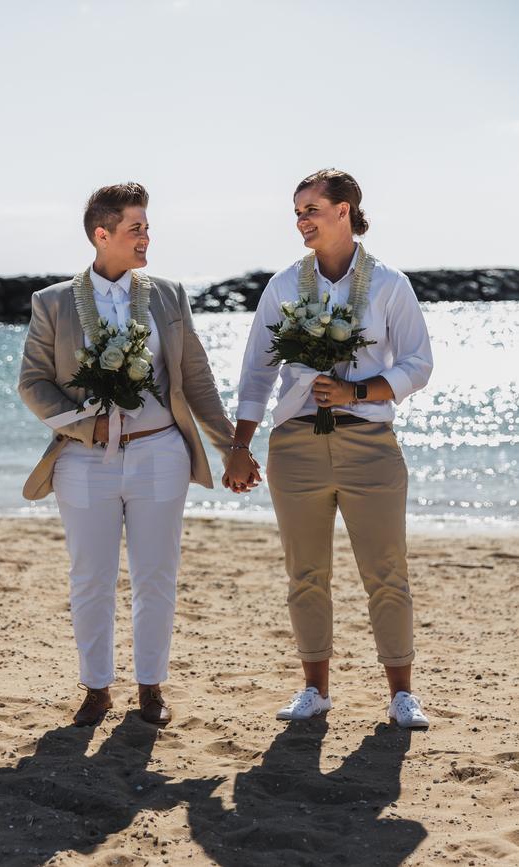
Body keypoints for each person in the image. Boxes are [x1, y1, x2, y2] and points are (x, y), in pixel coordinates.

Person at [19, 182, 247, 726]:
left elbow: (195, 378)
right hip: (82, 461)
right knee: (91, 577)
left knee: (156, 576)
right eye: (135, 228)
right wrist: (87, 426)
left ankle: (151, 688)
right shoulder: (52, 303)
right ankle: (96, 689)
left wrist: (232, 447)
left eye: (146, 227)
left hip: (160, 453)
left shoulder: (169, 295)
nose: (146, 237)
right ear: (103, 235)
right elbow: (33, 384)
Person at [224, 168, 433, 728]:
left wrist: (356, 390)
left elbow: (418, 363)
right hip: (294, 444)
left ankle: (400, 694)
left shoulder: (389, 284)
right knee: (305, 572)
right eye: (297, 212)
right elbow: (257, 370)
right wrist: (239, 446)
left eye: (311, 209)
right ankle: (315, 690)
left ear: (345, 210)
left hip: (370, 443)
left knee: (387, 569)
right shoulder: (284, 285)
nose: (301, 221)